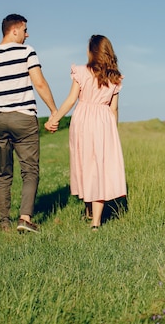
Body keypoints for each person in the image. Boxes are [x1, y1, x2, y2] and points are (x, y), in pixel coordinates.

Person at [0, 14, 58, 233]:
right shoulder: (26, 51)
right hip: (23, 118)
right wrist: (53, 110)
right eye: (25, 30)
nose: (27, 34)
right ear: (14, 30)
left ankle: (4, 222)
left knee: (2, 172)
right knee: (29, 170)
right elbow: (39, 83)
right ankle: (25, 218)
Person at [45, 35, 127, 231]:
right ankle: (95, 220)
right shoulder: (115, 77)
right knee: (99, 167)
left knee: (85, 164)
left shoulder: (81, 72)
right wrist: (112, 132)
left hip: (83, 120)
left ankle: (90, 212)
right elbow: (113, 108)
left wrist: (54, 118)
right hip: (104, 122)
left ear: (92, 51)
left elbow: (72, 99)